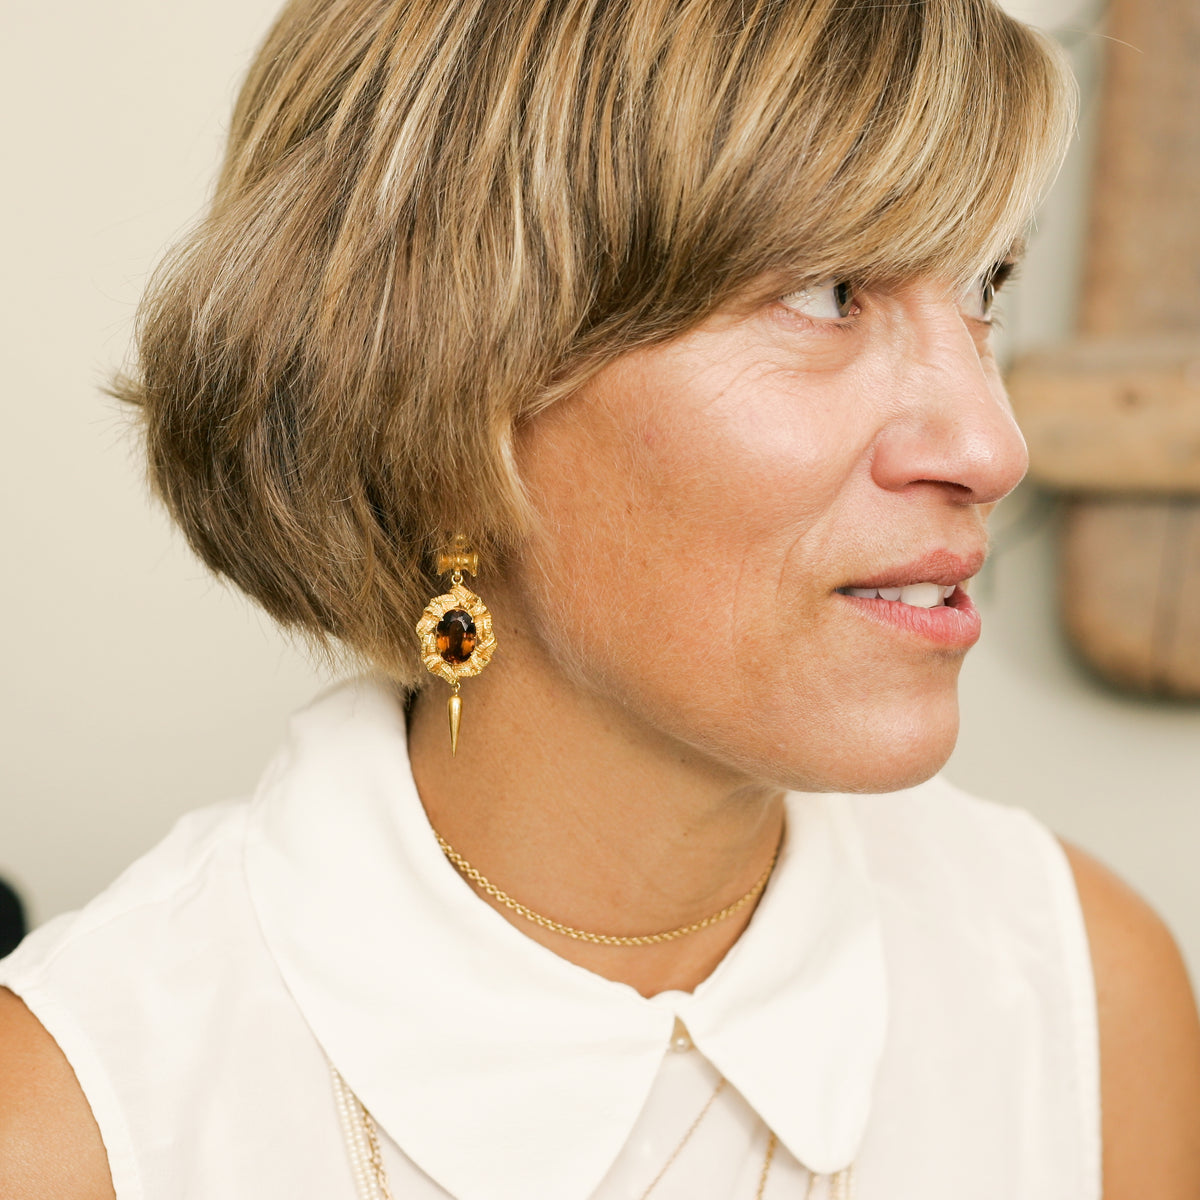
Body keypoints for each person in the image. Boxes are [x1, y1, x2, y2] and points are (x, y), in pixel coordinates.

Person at [2, 0, 1198, 1196]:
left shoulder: (1081, 995)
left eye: (986, 281)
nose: (994, 445)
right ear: (447, 385)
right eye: (832, 292)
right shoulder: (77, 1122)